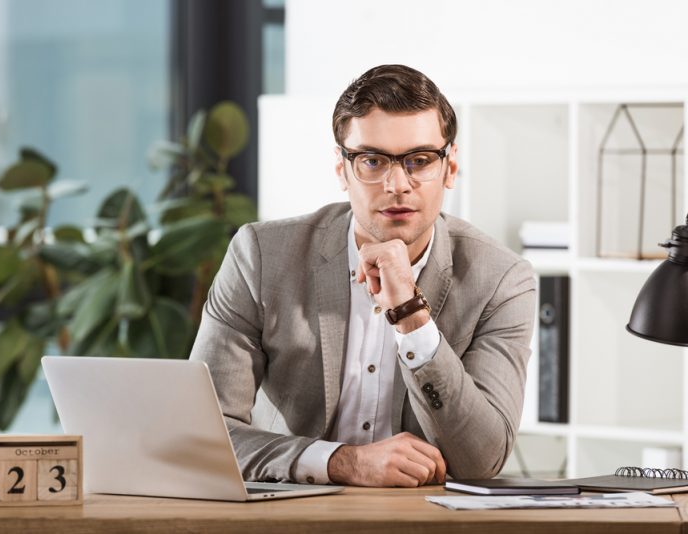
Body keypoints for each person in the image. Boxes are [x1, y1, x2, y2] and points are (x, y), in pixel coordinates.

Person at [189, 64, 536, 487]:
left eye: (420, 161)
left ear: (450, 168)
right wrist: (343, 462)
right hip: (288, 516)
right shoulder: (261, 256)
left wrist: (412, 316)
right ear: (342, 169)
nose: (397, 184)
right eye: (372, 161)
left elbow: (483, 459)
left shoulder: (502, 280)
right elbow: (201, 434)